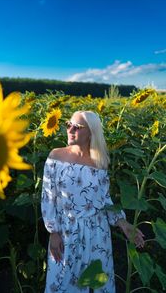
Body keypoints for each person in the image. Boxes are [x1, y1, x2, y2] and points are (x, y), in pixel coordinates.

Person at [41, 110, 145, 293]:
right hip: (67, 232)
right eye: (69, 124)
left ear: (91, 133)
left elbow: (104, 199)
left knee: (98, 283)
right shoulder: (56, 156)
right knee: (62, 283)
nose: (70, 129)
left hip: (98, 233)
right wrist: (53, 232)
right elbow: (48, 197)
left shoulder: (100, 162)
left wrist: (123, 223)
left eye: (78, 127)